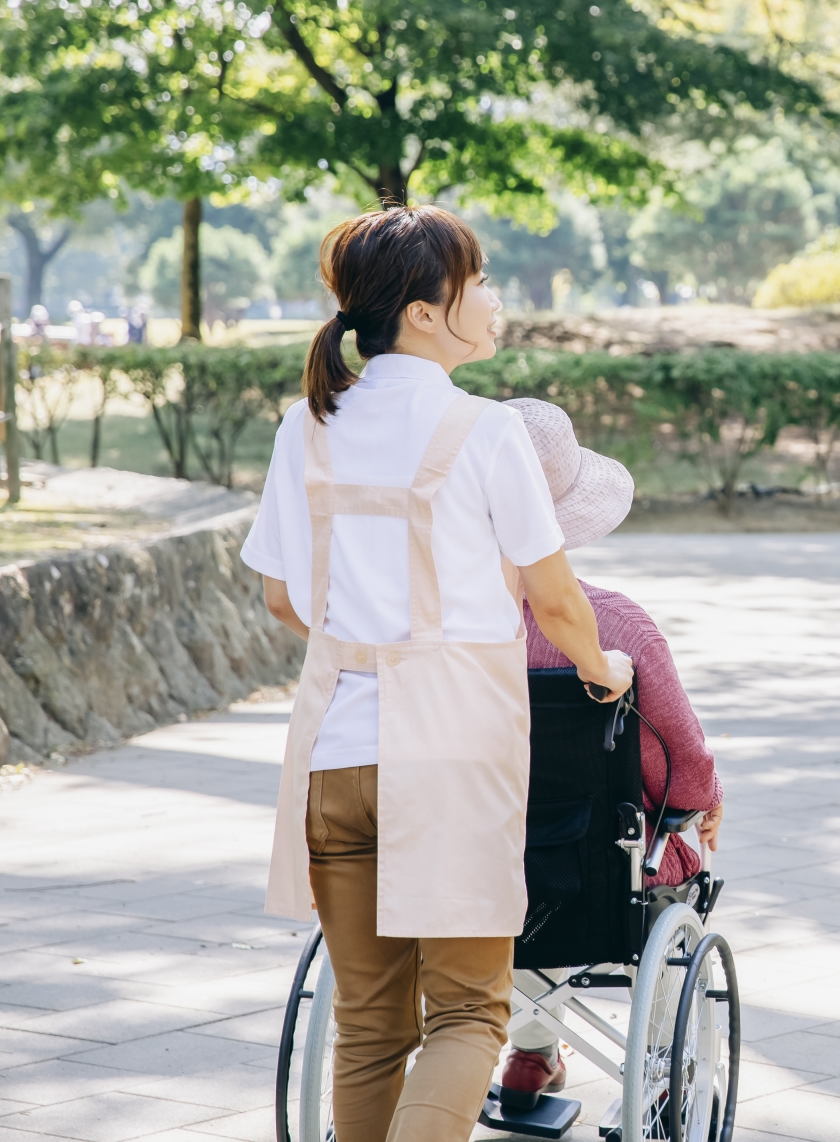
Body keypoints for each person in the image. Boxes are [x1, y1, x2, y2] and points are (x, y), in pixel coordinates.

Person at [242, 205, 636, 1142]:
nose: (493, 300)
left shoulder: (307, 425)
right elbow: (556, 600)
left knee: (371, 1028)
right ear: (425, 313)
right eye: (479, 282)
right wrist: (605, 668)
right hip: (453, 757)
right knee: (466, 1014)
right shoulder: (485, 431)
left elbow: (282, 599)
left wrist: (363, 634)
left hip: (336, 757)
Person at [495, 398, 724, 1109]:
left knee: (515, 852)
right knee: (634, 856)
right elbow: (678, 761)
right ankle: (658, 1061)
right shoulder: (617, 626)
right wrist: (704, 803)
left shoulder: (431, 623)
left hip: (468, 849)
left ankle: (532, 1051)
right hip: (592, 869)